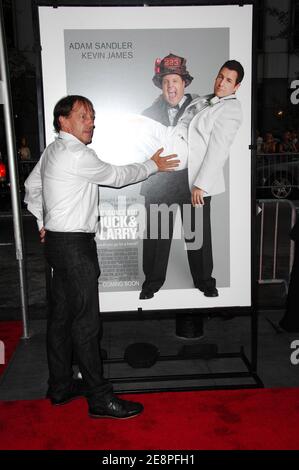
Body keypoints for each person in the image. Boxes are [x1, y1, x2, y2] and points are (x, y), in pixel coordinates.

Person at [24, 95, 179, 419]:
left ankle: (61, 386)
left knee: (62, 319)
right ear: (63, 121)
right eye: (83, 116)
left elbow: (30, 186)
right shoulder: (76, 154)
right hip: (74, 247)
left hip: (57, 244)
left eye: (91, 116)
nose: (91, 121)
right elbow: (117, 176)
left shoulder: (53, 151)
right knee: (86, 324)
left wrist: (43, 222)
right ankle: (99, 398)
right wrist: (153, 164)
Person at [139, 56, 243, 302]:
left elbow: (217, 147)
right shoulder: (148, 113)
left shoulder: (203, 104)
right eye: (165, 81)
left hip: (192, 180)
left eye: (175, 80)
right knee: (156, 235)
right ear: (160, 85)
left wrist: (202, 183)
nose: (171, 86)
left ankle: (205, 282)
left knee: (198, 235)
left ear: (184, 83)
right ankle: (151, 283)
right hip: (160, 181)